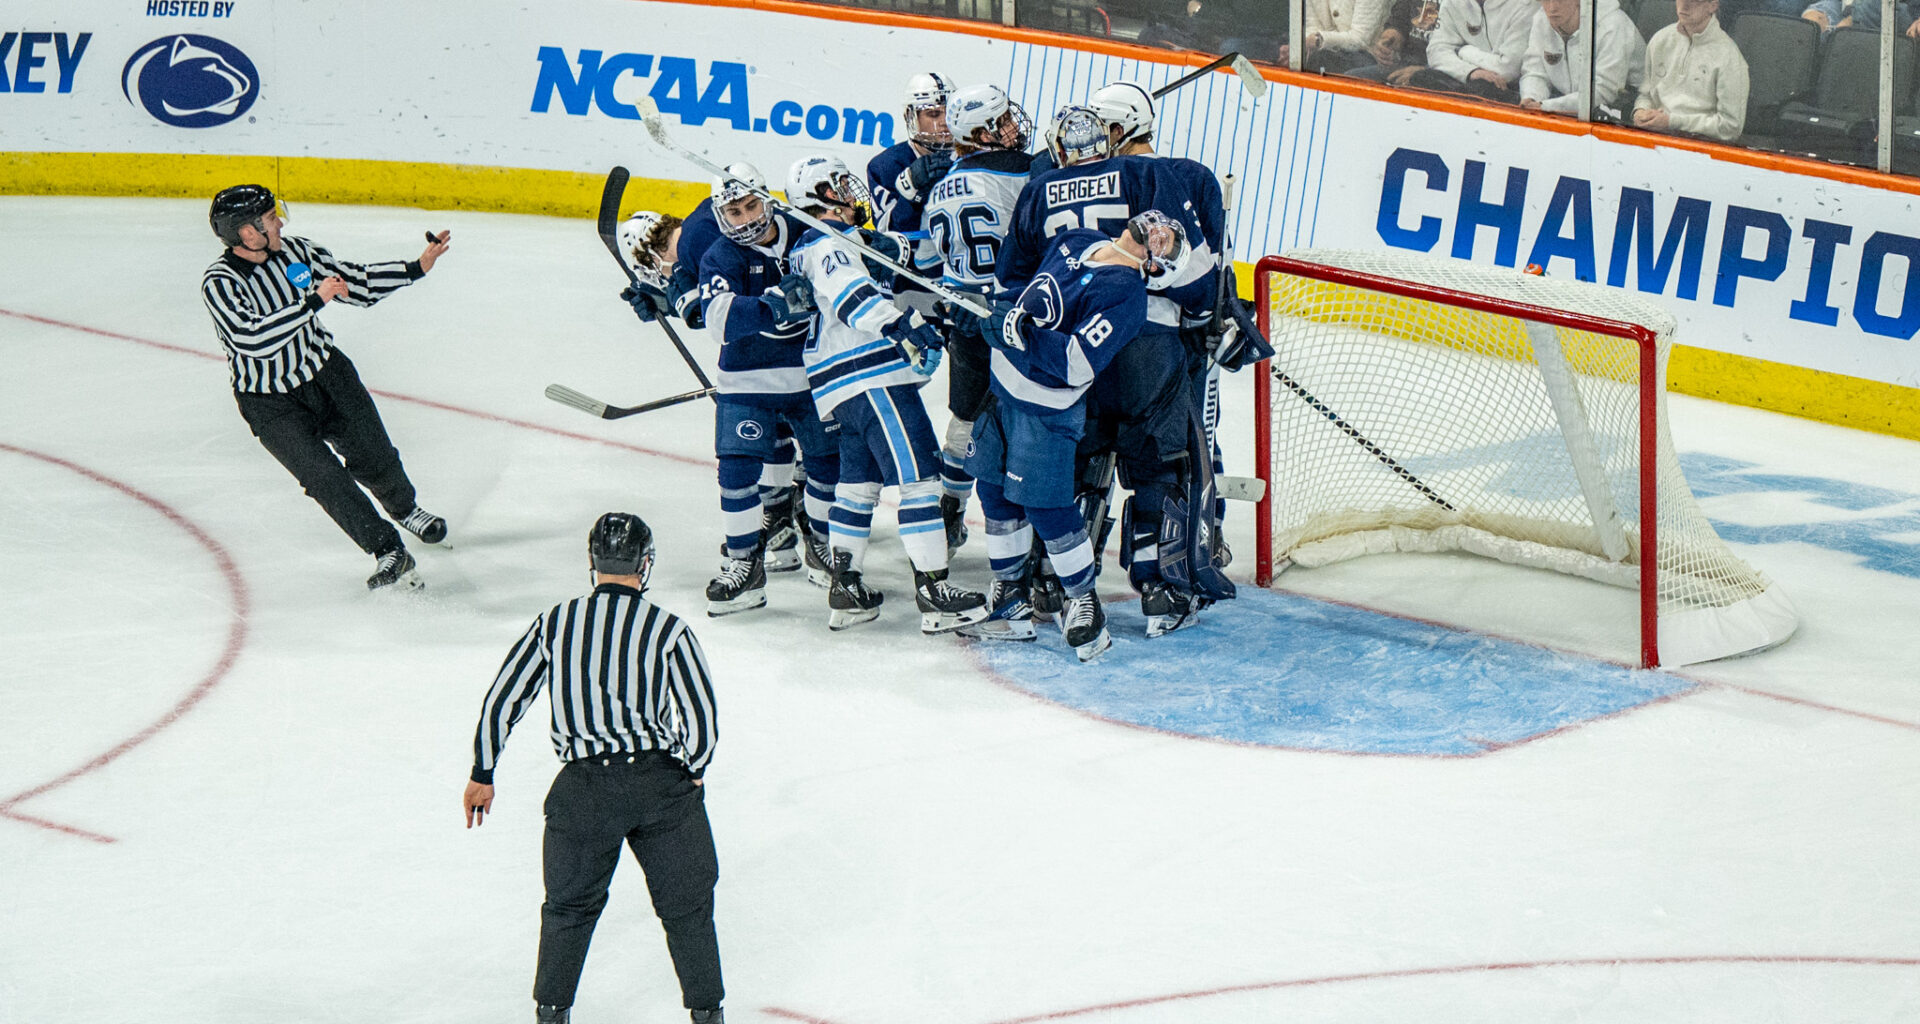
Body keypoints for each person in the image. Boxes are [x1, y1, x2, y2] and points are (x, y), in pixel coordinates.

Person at [463, 512, 725, 1024]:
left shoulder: (556, 621)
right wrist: (690, 772)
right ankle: (707, 1014)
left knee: (567, 910)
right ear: (644, 565)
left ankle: (552, 1014)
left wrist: (483, 771)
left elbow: (503, 698)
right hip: (658, 784)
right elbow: (702, 718)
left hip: (582, 788)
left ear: (592, 562)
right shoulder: (669, 629)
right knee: (687, 910)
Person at [997, 89, 1233, 639]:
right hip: (1146, 336)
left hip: (1071, 343)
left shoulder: (1038, 189)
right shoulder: (1151, 178)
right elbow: (1193, 268)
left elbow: (1012, 282)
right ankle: (1160, 586)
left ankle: (1054, 580)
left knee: (1078, 455)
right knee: (1158, 457)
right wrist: (1209, 314)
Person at [199, 183, 451, 591]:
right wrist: (312, 303)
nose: (279, 221)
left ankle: (404, 508)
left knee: (374, 451)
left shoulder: (298, 252)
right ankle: (387, 548)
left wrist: (415, 267)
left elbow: (356, 283)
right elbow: (252, 340)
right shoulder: (220, 283)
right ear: (247, 233)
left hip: (327, 373)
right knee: (324, 479)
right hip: (270, 402)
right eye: (269, 218)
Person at [781, 154, 988, 633]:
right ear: (819, 198)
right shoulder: (829, 243)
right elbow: (853, 296)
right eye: (837, 185)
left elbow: (897, 253)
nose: (849, 190)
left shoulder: (821, 244)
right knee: (920, 477)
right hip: (872, 376)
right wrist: (901, 325)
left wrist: (890, 244)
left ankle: (845, 585)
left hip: (838, 387)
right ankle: (934, 589)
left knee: (858, 485)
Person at [967, 213, 1181, 661]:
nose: (1159, 230)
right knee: (992, 492)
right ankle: (1010, 602)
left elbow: (1077, 363)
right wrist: (997, 307)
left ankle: (1085, 602)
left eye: (1168, 242)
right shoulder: (1077, 238)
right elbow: (1028, 294)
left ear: (1158, 266)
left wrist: (1018, 334)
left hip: (1045, 408)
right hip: (1001, 388)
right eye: (1163, 225)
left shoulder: (1127, 296)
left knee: (1047, 508)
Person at [619, 208, 818, 583]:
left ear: (652, 259)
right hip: (788, 351)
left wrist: (679, 299)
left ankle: (800, 525)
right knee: (777, 437)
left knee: (782, 446)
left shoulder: (696, 243)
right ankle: (783, 523)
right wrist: (668, 303)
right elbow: (719, 309)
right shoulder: (698, 230)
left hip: (791, 354)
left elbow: (735, 307)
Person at [697, 164, 841, 615]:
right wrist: (773, 305)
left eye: (751, 206)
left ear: (767, 199)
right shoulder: (720, 256)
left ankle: (821, 544)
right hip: (747, 381)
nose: (744, 219)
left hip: (814, 376)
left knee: (826, 464)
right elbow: (720, 320)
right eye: (734, 212)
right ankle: (745, 565)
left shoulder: (806, 231)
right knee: (736, 471)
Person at [922, 83, 1036, 562]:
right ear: (983, 132)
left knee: (965, 417)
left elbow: (931, 257)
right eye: (1004, 121)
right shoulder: (1024, 174)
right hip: (1012, 318)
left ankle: (950, 508)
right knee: (1030, 418)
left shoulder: (939, 188)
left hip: (964, 319)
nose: (1013, 126)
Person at [867, 72, 955, 320]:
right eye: (934, 114)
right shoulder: (886, 166)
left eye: (950, 111)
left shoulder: (970, 157)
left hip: (963, 285)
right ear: (911, 117)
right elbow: (890, 239)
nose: (945, 122)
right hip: (915, 292)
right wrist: (911, 193)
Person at [1633, 0, 1751, 142]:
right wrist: (1640, 111)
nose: (1684, 6)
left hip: (1702, 150)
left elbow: (1730, 127)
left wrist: (1671, 122)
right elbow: (1646, 95)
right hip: (1652, 139)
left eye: (1694, 0)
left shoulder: (1730, 57)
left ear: (1713, 5)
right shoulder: (1660, 40)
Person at [1519, 0, 1647, 119]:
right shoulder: (1541, 19)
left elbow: (1603, 92)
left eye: (1561, 0)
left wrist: (1546, 106)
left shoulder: (1614, 25)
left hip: (1630, 112)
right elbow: (1534, 71)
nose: (1552, 8)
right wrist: (1531, 98)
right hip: (1568, 109)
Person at [1396, 0, 1532, 100]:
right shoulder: (1452, 3)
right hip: (1468, 80)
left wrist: (1464, 52)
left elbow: (1508, 70)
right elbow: (1437, 50)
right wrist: (1470, 72)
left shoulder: (1525, 5)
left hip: (1512, 91)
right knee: (1422, 78)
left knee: (1483, 88)